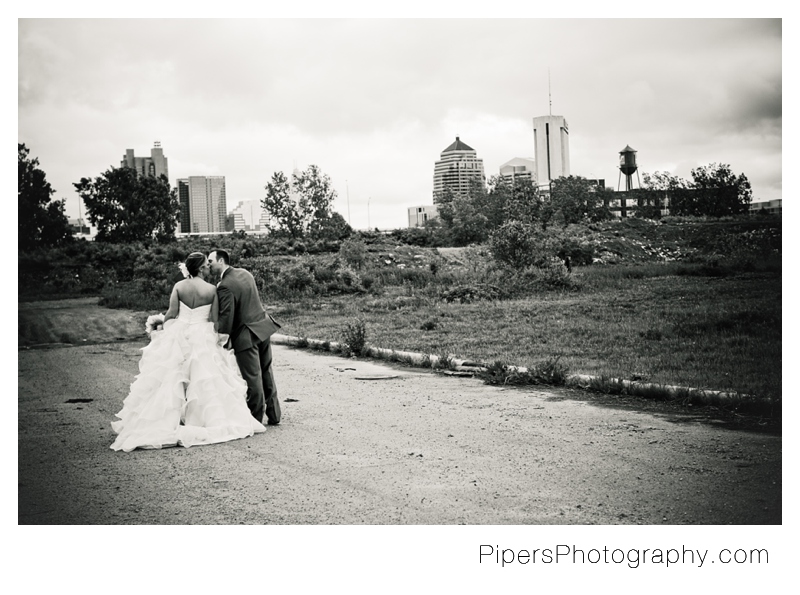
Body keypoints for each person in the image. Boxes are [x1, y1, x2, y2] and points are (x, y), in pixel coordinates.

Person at [110, 252, 266, 452]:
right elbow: (215, 320)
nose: (209, 268)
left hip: (180, 334)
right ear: (200, 268)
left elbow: (171, 313)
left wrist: (163, 332)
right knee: (204, 380)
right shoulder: (211, 290)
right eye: (206, 266)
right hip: (202, 335)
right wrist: (217, 338)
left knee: (172, 378)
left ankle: (170, 420)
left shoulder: (179, 287)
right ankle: (200, 419)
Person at [209, 249, 282, 426]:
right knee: (266, 371)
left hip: (246, 335)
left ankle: (255, 419)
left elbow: (227, 316)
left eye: (210, 261)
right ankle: (274, 414)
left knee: (252, 377)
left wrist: (221, 339)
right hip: (263, 327)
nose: (209, 265)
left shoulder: (225, 285)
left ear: (220, 261)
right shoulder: (245, 273)